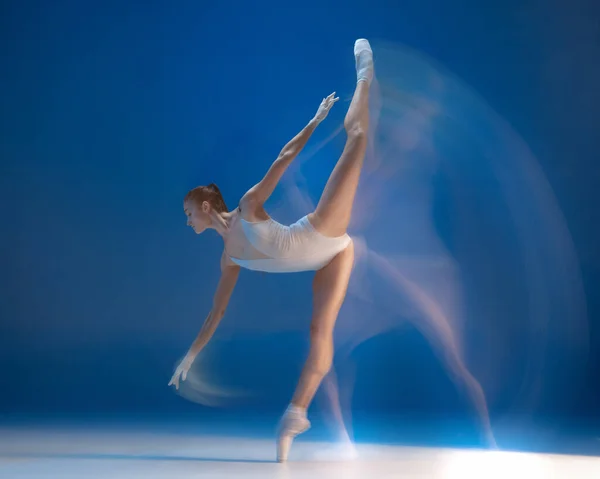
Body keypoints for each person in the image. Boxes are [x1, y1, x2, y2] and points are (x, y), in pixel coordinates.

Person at [168, 38, 374, 462]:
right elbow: (216, 313)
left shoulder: (246, 207)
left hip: (321, 235)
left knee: (356, 138)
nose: (187, 220)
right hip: (330, 260)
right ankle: (295, 415)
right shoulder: (228, 258)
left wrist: (317, 119)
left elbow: (284, 156)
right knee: (320, 335)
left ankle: (365, 73)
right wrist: (189, 357)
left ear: (207, 208)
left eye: (189, 213)